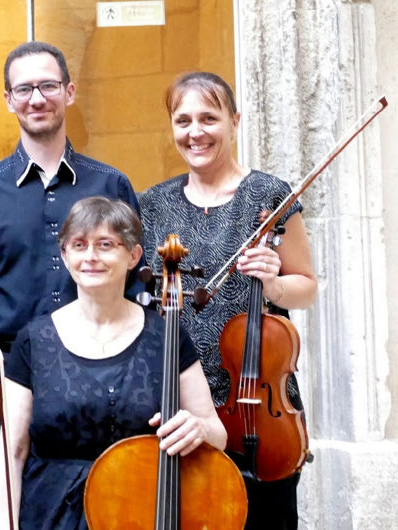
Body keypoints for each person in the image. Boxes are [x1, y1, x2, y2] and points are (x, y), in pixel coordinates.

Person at [0, 41, 140, 529]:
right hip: (0, 372)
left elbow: (135, 290)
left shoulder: (111, 185)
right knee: (4, 508)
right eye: (24, 88)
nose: (37, 98)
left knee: (101, 505)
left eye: (48, 85)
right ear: (8, 100)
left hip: (98, 369)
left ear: (69, 92)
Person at [139, 71, 318, 529]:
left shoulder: (268, 196)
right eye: (183, 120)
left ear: (234, 121)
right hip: (182, 404)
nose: (195, 132)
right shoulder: (153, 205)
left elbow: (307, 285)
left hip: (257, 406)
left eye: (208, 118)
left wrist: (275, 285)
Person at [0, 196, 226, 529]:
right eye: (79, 244)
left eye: (105, 244)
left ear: (133, 256)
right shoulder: (34, 339)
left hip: (143, 512)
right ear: (65, 254)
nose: (90, 257)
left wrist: (199, 429)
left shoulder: (167, 336)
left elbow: (217, 434)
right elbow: (12, 451)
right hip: (51, 515)